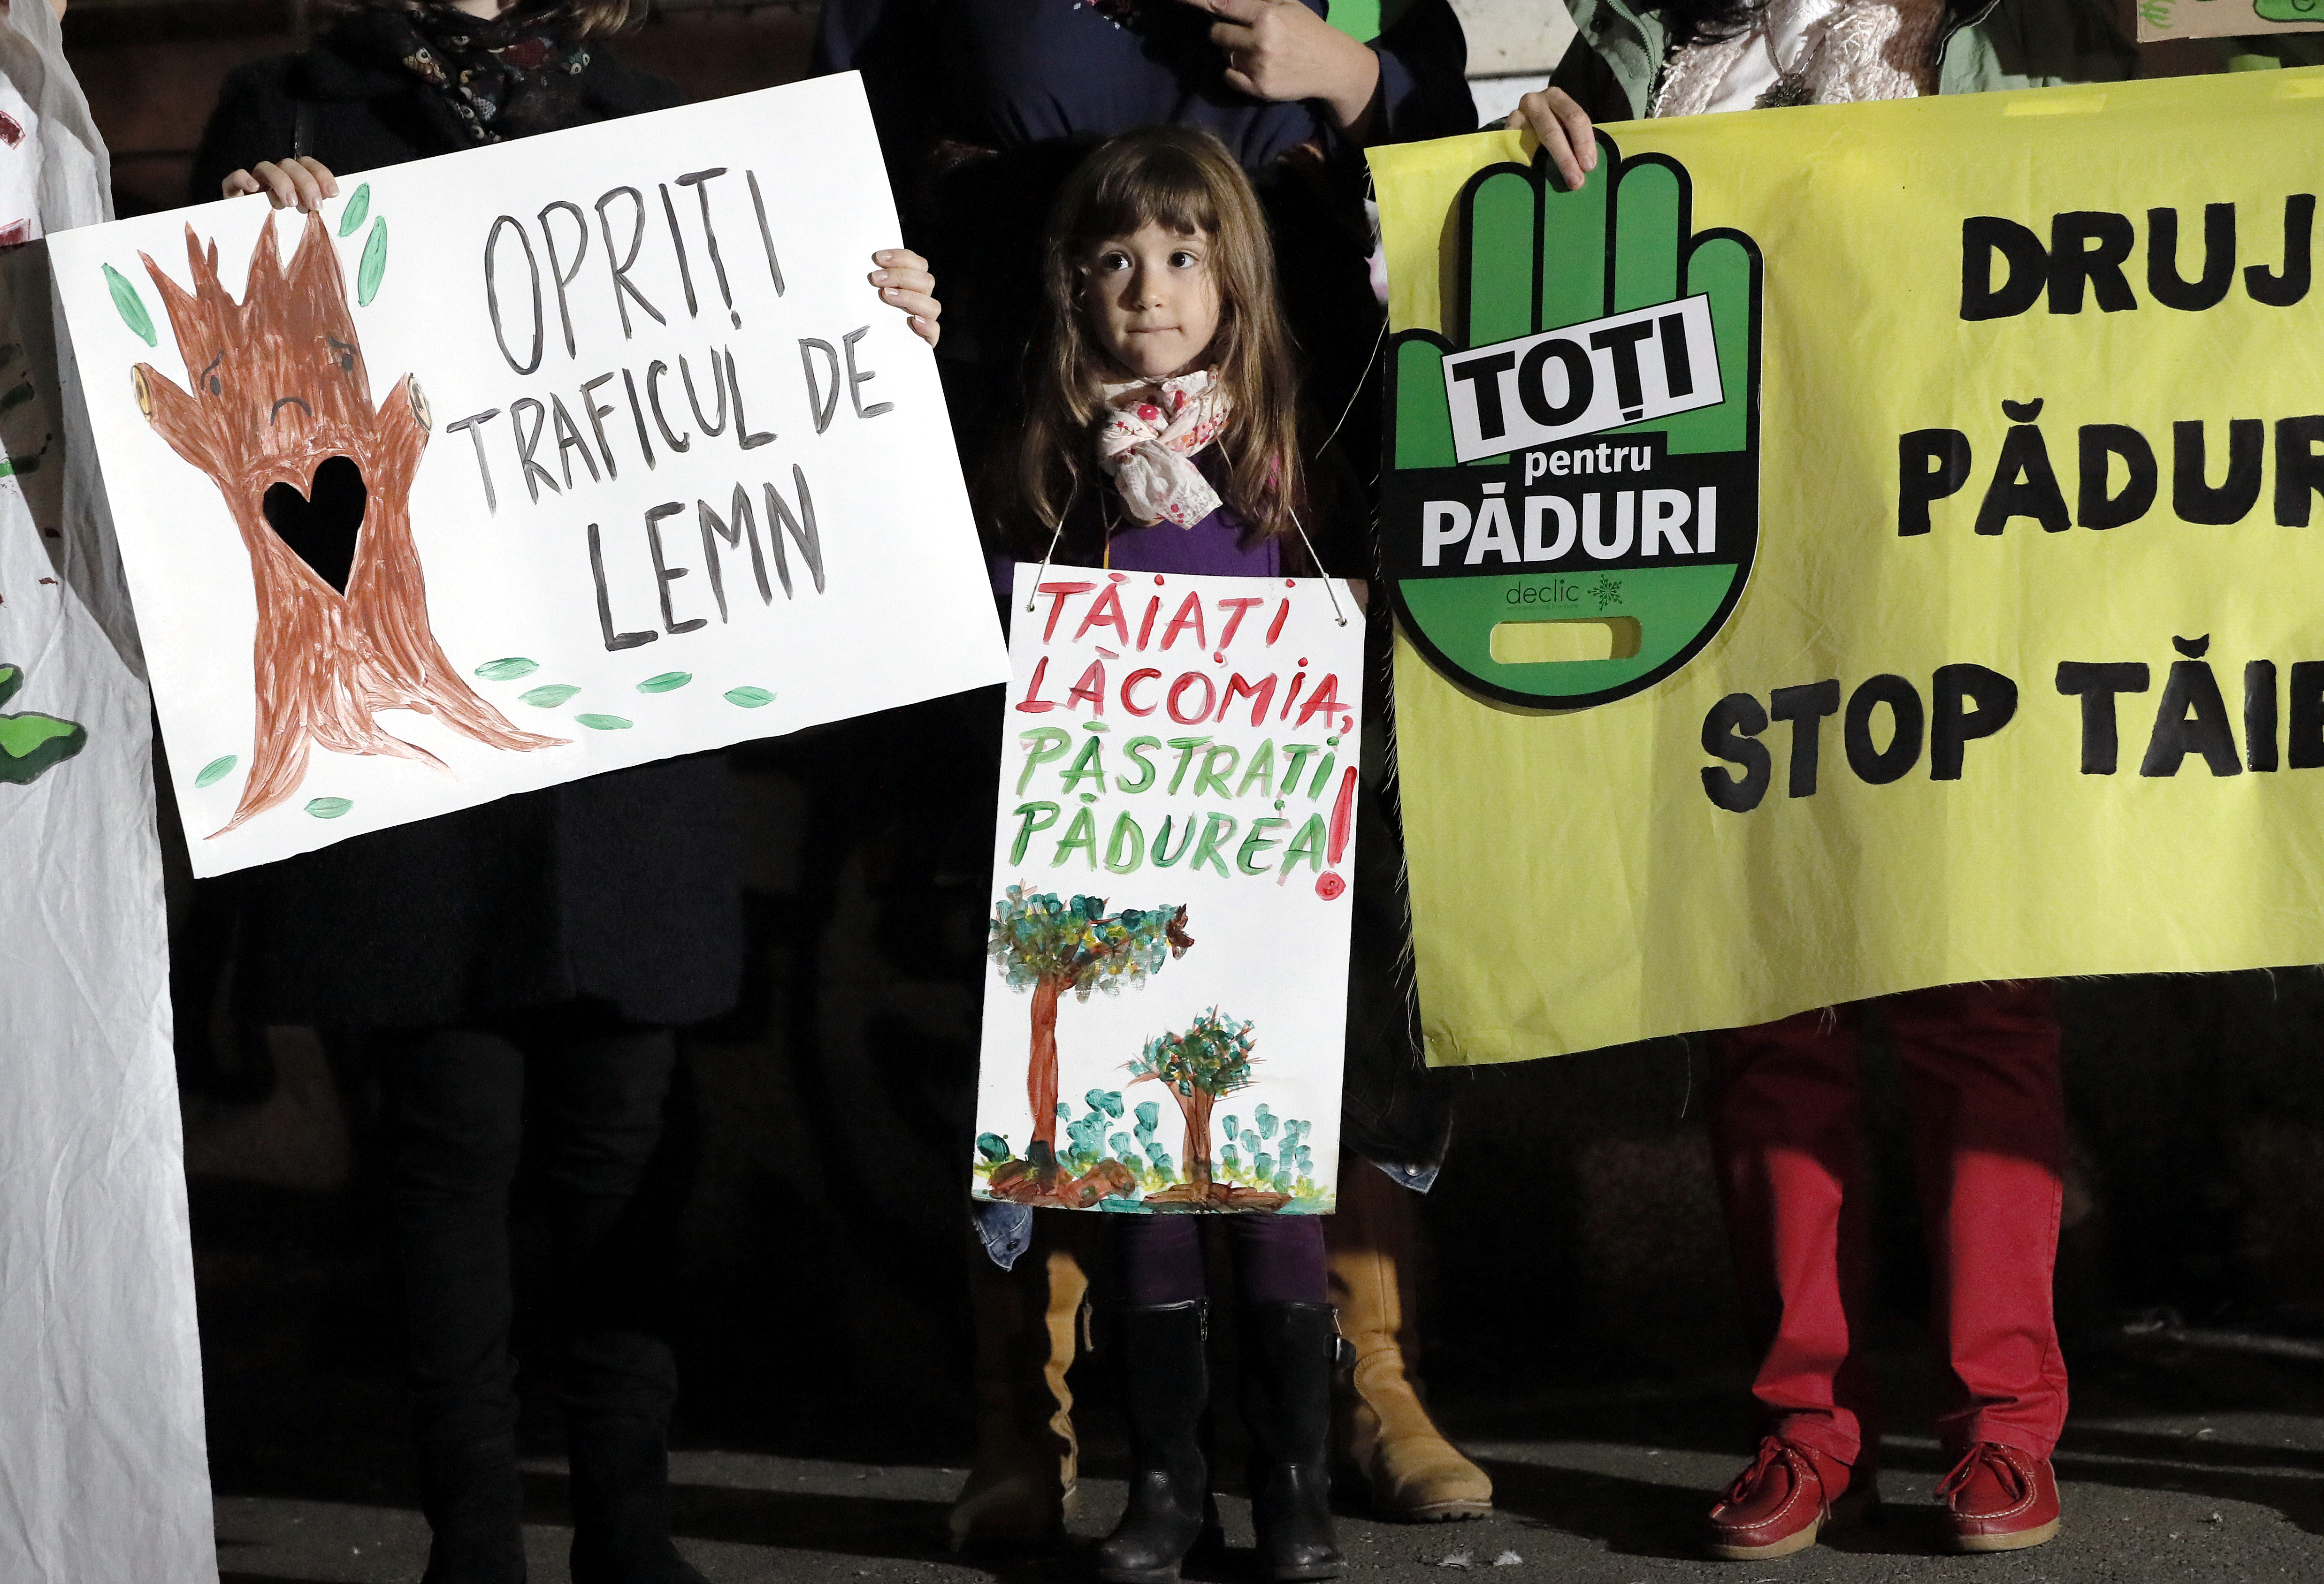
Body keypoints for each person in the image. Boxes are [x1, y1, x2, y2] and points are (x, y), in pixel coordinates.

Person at [190, 5, 941, 1580]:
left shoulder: (665, 127)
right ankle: (473, 1538)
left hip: (622, 756)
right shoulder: (283, 109)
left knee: (625, 1140)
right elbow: (209, 411)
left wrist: (881, 315)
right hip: (426, 742)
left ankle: (630, 1530)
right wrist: (242, 252)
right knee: (449, 1143)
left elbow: (766, 376)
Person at [818, 2, 1491, 1542]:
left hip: (1301, 414)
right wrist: (880, 303)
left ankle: (1350, 1394)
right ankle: (1040, 1421)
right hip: (1018, 397)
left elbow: (1437, 121)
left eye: (1173, 260)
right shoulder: (1045, 420)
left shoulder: (1280, 413)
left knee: (1306, 1008)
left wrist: (1364, 79)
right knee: (1066, 1001)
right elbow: (837, 129)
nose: (1152, 281)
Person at [1509, 0, 2131, 1560]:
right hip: (1729, 598)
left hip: (1956, 584)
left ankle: (2003, 1424)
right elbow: (1531, 276)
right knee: (1766, 1012)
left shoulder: (1994, 31)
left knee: (1977, 1006)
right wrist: (1528, 167)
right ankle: (1805, 1427)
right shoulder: (1643, 47)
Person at [986, 124, 1350, 1584]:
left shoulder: (1278, 457)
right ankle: (1166, 1491)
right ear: (1074, 290)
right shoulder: (1053, 468)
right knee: (1138, 1182)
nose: (1152, 286)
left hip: (1262, 884)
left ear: (1235, 277)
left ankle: (1299, 1496)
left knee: (1272, 1191)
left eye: (1186, 255)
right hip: (1119, 871)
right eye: (1118, 259)